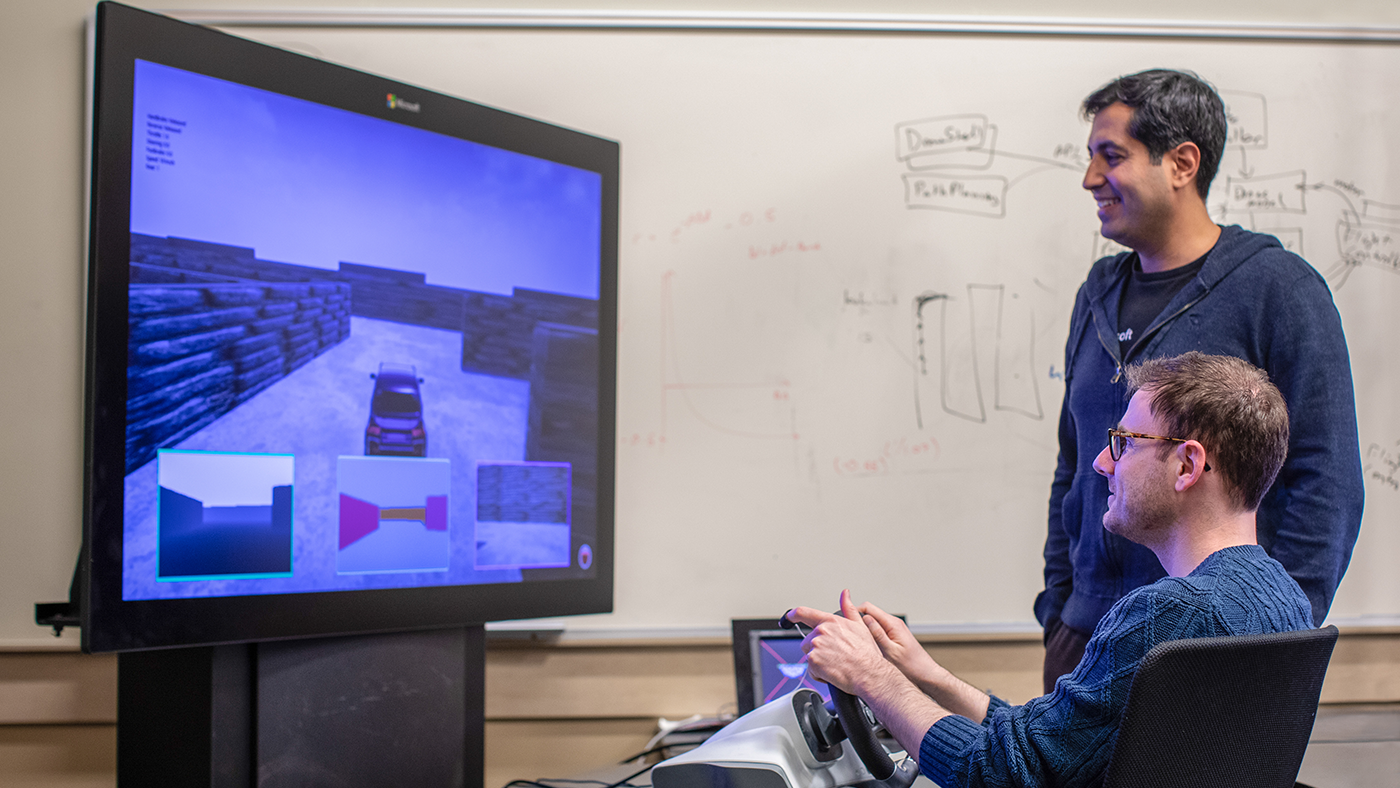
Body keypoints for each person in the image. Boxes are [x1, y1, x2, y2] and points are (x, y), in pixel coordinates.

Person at [790, 352, 1314, 788]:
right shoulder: (1283, 599)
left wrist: (873, 677)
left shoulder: (1170, 614)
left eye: (1126, 443)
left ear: (1187, 465)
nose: (1102, 464)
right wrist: (925, 675)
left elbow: (999, 774)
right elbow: (1053, 748)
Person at [1039, 68, 1362, 692]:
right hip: (1084, 643)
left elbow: (1329, 480)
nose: (1090, 179)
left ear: (1181, 163)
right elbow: (1074, 464)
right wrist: (1059, 610)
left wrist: (1268, 640)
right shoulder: (1097, 293)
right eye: (1090, 158)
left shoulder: (1279, 290)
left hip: (1206, 652)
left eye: (1112, 157)